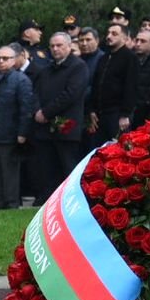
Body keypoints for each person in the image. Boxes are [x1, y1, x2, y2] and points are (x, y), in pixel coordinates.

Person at [29, 32, 90, 204]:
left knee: (67, 167)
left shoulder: (78, 67)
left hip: (66, 128)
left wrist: (46, 113)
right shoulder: (47, 69)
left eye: (59, 45)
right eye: (52, 46)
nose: (55, 49)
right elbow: (35, 92)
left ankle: (71, 202)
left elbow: (70, 94)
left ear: (69, 46)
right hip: (45, 128)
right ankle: (49, 202)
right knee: (47, 169)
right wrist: (37, 111)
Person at [0, 47, 35, 211]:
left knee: (9, 171)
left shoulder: (21, 80)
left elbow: (26, 109)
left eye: (5, 58)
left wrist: (22, 133)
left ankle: (11, 202)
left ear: (14, 60)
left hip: (10, 134)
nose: (1, 61)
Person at [91, 22, 137, 142]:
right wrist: (92, 110)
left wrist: (125, 114)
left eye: (114, 34)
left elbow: (131, 86)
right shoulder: (104, 58)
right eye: (108, 33)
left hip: (117, 114)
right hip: (100, 114)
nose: (109, 36)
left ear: (125, 38)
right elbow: (96, 84)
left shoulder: (130, 57)